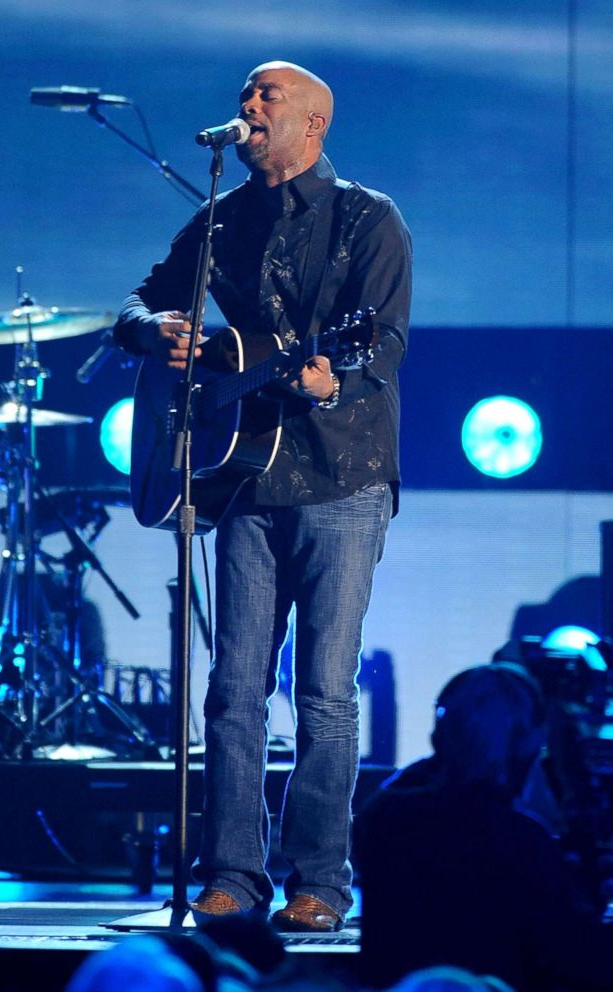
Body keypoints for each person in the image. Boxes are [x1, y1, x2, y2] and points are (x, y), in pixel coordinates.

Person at [114, 60, 412, 931]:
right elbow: (136, 302)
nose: (246, 107)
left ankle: (319, 881)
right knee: (233, 688)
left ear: (313, 125)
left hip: (342, 475)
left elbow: (382, 343)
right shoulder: (221, 218)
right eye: (244, 95)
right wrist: (156, 330)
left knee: (323, 690)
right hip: (242, 479)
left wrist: (332, 381)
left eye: (266, 97)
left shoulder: (368, 219)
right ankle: (231, 879)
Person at [354, 663, 613, 992]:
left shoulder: (382, 819)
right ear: (526, 746)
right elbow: (569, 961)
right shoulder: (521, 840)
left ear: (439, 736)